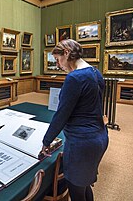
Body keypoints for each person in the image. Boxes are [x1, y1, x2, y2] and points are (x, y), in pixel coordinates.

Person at [40, 39, 108, 201]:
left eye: (57, 59)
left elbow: (62, 114)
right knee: (83, 186)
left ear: (67, 53)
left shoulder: (74, 78)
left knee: (76, 192)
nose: (58, 65)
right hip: (100, 138)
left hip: (82, 143)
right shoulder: (95, 72)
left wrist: (47, 140)